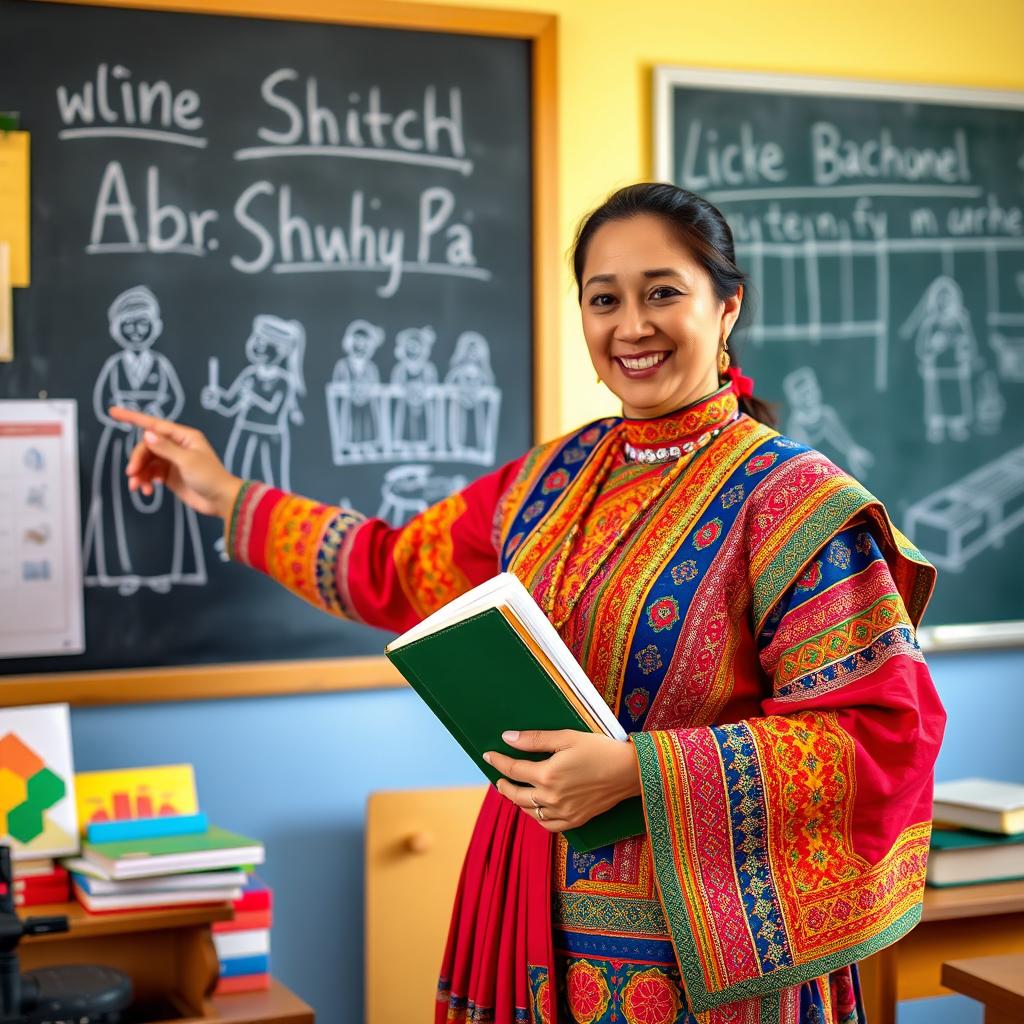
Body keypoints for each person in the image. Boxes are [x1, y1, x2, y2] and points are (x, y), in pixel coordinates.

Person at [111, 183, 945, 1024]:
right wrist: (224, 495)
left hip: (702, 957)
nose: (631, 326)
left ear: (727, 307)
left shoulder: (795, 502)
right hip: (522, 912)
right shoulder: (548, 480)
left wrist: (635, 771)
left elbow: (879, 736)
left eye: (663, 292)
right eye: (603, 299)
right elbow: (390, 570)